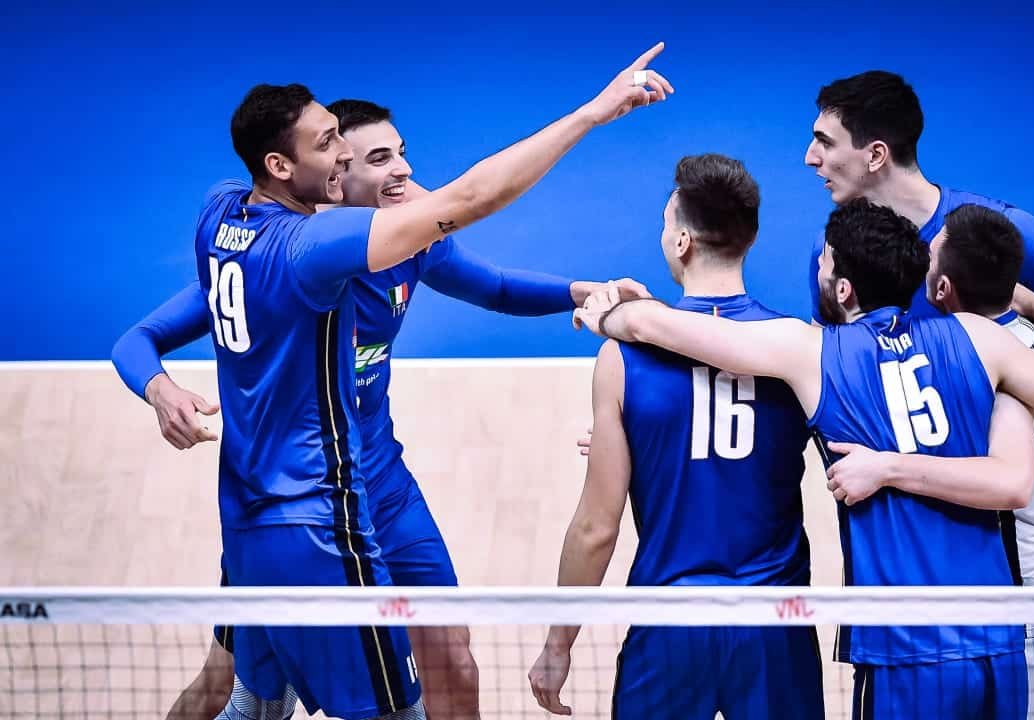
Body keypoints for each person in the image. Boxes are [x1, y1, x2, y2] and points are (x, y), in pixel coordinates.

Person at [111, 97, 647, 719]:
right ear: (326, 179)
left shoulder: (381, 236)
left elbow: (494, 285)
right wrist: (161, 387)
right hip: (307, 509)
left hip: (381, 489)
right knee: (240, 691)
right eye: (367, 155)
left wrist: (576, 291)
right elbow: (136, 340)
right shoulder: (299, 257)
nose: (400, 170)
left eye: (397, 152)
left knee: (454, 659)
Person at [572, 199, 1034, 719]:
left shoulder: (815, 353)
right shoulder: (981, 338)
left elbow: (653, 326)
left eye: (824, 264)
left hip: (902, 650)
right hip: (996, 642)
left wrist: (608, 314)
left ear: (841, 290)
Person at [527, 154, 823, 719]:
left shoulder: (623, 360)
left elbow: (595, 529)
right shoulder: (798, 350)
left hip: (670, 627)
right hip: (774, 628)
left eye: (667, 224)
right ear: (751, 237)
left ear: (682, 241)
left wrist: (557, 644)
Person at [825, 203, 1034, 718]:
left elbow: (1010, 482)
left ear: (942, 291)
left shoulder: (992, 359)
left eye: (931, 260)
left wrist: (886, 466)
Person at [804, 70, 1034, 507]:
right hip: (911, 516)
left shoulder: (998, 232)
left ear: (876, 155)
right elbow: (819, 364)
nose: (811, 158)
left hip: (1013, 512)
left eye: (825, 142)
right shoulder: (834, 253)